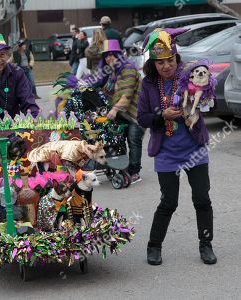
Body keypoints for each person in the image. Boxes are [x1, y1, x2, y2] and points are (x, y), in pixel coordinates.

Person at [137, 28, 217, 265]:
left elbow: (207, 99)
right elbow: (142, 118)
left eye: (170, 60)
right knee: (168, 201)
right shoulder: (149, 84)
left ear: (176, 58)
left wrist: (204, 98)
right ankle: (154, 246)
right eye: (160, 62)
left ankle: (206, 245)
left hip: (195, 149)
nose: (166, 66)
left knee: (202, 199)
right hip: (166, 152)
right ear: (153, 62)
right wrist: (162, 115)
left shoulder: (190, 74)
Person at [101, 39, 144, 183]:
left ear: (119, 55)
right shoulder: (113, 72)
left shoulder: (128, 69)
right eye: (106, 56)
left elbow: (127, 94)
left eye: (112, 54)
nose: (109, 58)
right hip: (120, 113)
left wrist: (114, 109)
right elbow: (108, 92)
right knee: (119, 141)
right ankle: (123, 169)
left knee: (133, 140)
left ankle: (134, 172)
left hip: (136, 113)